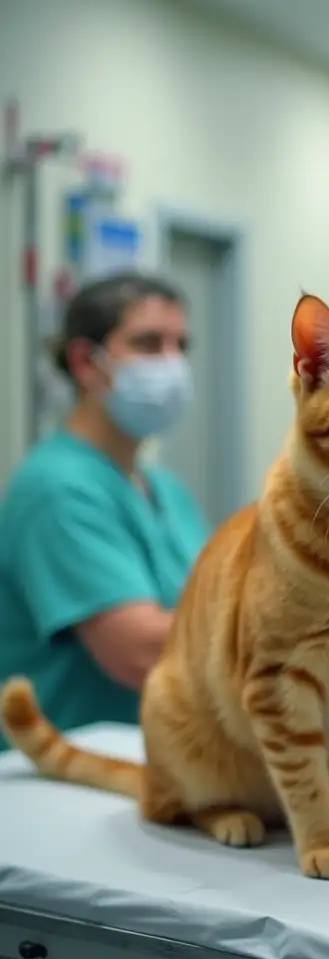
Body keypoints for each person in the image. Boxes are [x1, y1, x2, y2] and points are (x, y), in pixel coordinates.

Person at [0, 273, 208, 747]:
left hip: (148, 761)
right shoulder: (56, 489)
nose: (172, 364)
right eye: (149, 344)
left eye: (181, 345)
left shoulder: (165, 490)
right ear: (85, 362)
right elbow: (140, 652)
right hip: (63, 773)